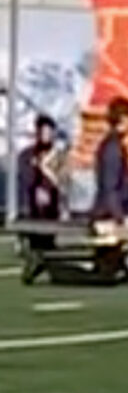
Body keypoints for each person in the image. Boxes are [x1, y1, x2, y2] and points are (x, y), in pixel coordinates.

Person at [16, 116, 65, 281]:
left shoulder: (58, 155)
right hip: (32, 208)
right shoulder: (27, 155)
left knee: (48, 240)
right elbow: (25, 180)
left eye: (50, 132)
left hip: (52, 207)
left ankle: (46, 265)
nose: (47, 136)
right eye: (43, 132)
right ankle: (35, 262)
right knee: (35, 239)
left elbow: (63, 179)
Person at [91, 96, 128, 223]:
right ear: (124, 119)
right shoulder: (113, 147)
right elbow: (110, 186)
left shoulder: (114, 144)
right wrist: (119, 218)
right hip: (109, 215)